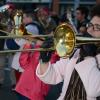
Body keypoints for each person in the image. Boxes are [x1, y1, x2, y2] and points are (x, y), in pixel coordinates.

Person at [36, 4, 100, 100]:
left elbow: (93, 90)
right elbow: (52, 76)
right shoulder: (77, 52)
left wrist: (88, 57)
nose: (90, 30)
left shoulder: (86, 53)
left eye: (97, 27)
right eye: (90, 25)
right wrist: (44, 60)